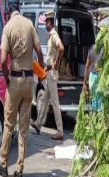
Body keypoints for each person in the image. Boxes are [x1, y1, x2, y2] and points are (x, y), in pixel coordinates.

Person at [0, 1, 43, 177]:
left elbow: (2, 60)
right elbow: (39, 51)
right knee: (24, 127)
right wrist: (39, 71)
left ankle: (3, 164)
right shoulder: (29, 24)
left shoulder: (8, 27)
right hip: (29, 80)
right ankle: (20, 168)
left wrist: (7, 78)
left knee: (9, 124)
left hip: (14, 80)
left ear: (8, 13)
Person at [31, 10, 64, 140]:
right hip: (49, 72)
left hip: (52, 73)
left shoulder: (54, 35)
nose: (45, 24)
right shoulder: (51, 35)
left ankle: (60, 131)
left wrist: (57, 62)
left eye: (46, 22)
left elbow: (61, 48)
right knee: (45, 99)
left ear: (49, 22)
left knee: (55, 103)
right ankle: (38, 124)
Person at [83, 41, 102, 112]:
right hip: (100, 77)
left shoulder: (91, 49)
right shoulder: (104, 50)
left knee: (94, 99)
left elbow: (87, 67)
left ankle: (94, 116)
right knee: (100, 99)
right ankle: (98, 118)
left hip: (92, 77)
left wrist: (85, 82)